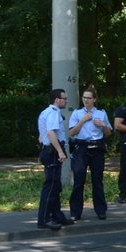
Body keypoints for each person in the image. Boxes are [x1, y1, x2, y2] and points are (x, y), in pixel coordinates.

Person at [68, 87, 113, 220]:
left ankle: (100, 210)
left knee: (97, 181)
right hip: (81, 148)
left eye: (88, 98)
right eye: (84, 97)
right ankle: (75, 212)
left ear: (94, 99)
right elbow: (71, 133)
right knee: (78, 180)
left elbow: (108, 133)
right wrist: (82, 120)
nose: (86, 100)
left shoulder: (101, 113)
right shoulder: (76, 113)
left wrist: (102, 125)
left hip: (97, 148)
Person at [37, 88, 74, 230]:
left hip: (49, 151)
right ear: (57, 100)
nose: (66, 100)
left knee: (55, 185)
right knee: (51, 186)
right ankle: (44, 219)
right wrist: (60, 151)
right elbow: (51, 133)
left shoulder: (46, 112)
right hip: (52, 152)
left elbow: (42, 136)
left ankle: (57, 215)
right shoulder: (52, 113)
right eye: (64, 98)